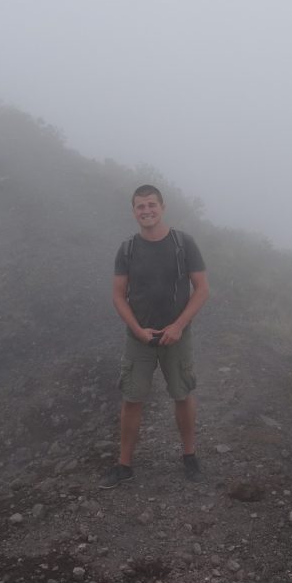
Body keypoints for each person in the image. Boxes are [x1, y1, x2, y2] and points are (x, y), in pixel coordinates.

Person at [99, 184, 210, 489]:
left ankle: (189, 456)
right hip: (139, 338)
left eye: (151, 205)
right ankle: (124, 465)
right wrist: (137, 330)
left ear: (162, 207)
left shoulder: (183, 243)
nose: (146, 211)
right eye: (140, 206)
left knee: (182, 394)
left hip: (178, 335)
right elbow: (119, 296)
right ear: (133, 211)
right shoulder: (127, 249)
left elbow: (201, 289)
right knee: (132, 398)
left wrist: (177, 326)